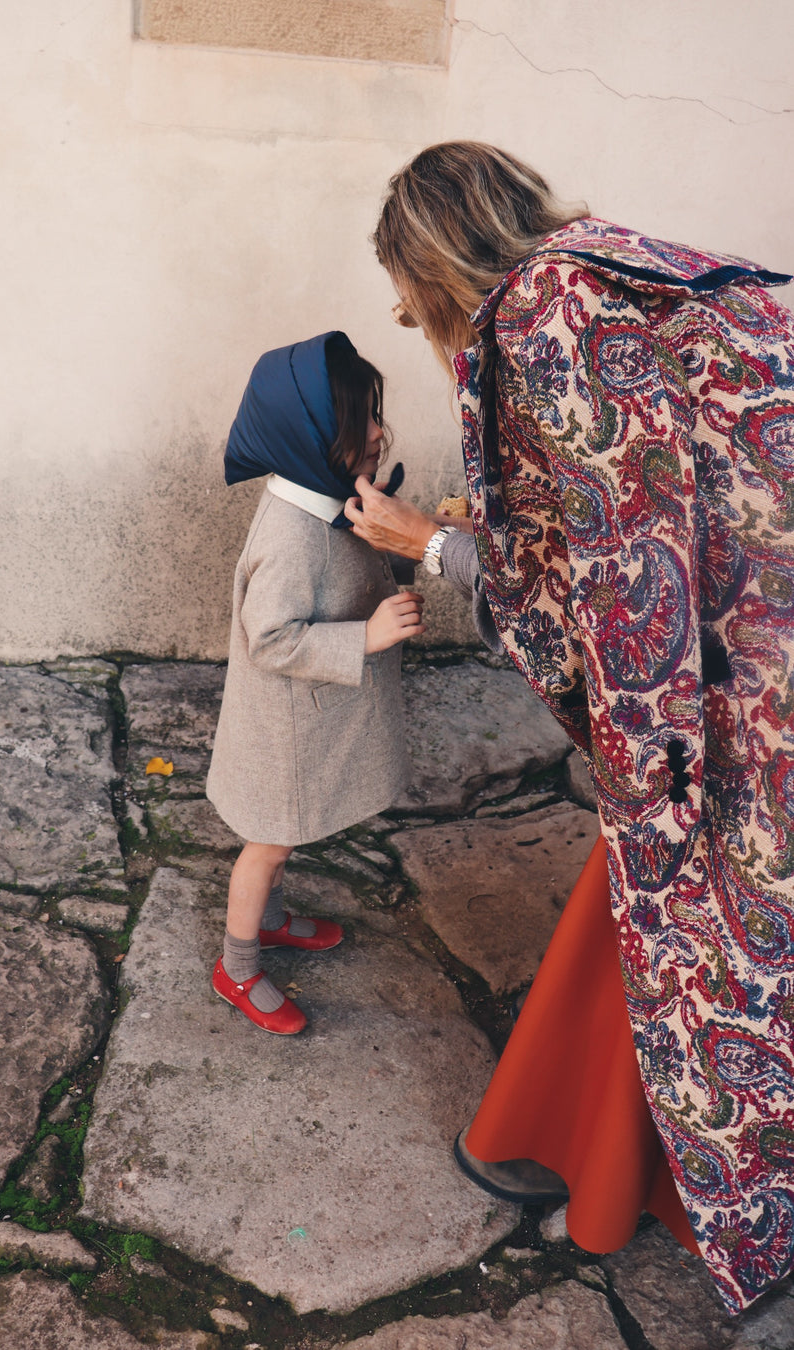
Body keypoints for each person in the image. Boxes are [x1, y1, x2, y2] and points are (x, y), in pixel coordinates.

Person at [344, 141, 794, 1315]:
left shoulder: (552, 308)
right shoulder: (629, 265)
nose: (415, 322)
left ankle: (694, 1203)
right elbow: (641, 501)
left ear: (444, 265)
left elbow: (628, 576)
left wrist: (432, 551)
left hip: (750, 695)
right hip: (759, 646)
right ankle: (592, 1149)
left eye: (413, 299)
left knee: (708, 938)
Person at [206, 331, 424, 1035]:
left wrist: (414, 545)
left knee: (286, 832)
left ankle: (269, 922)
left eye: (374, 413)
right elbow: (269, 635)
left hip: (306, 719)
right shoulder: (292, 535)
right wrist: (365, 637)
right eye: (361, 419)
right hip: (285, 731)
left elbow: (356, 564)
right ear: (312, 436)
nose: (379, 431)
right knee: (267, 843)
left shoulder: (328, 498)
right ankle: (237, 967)